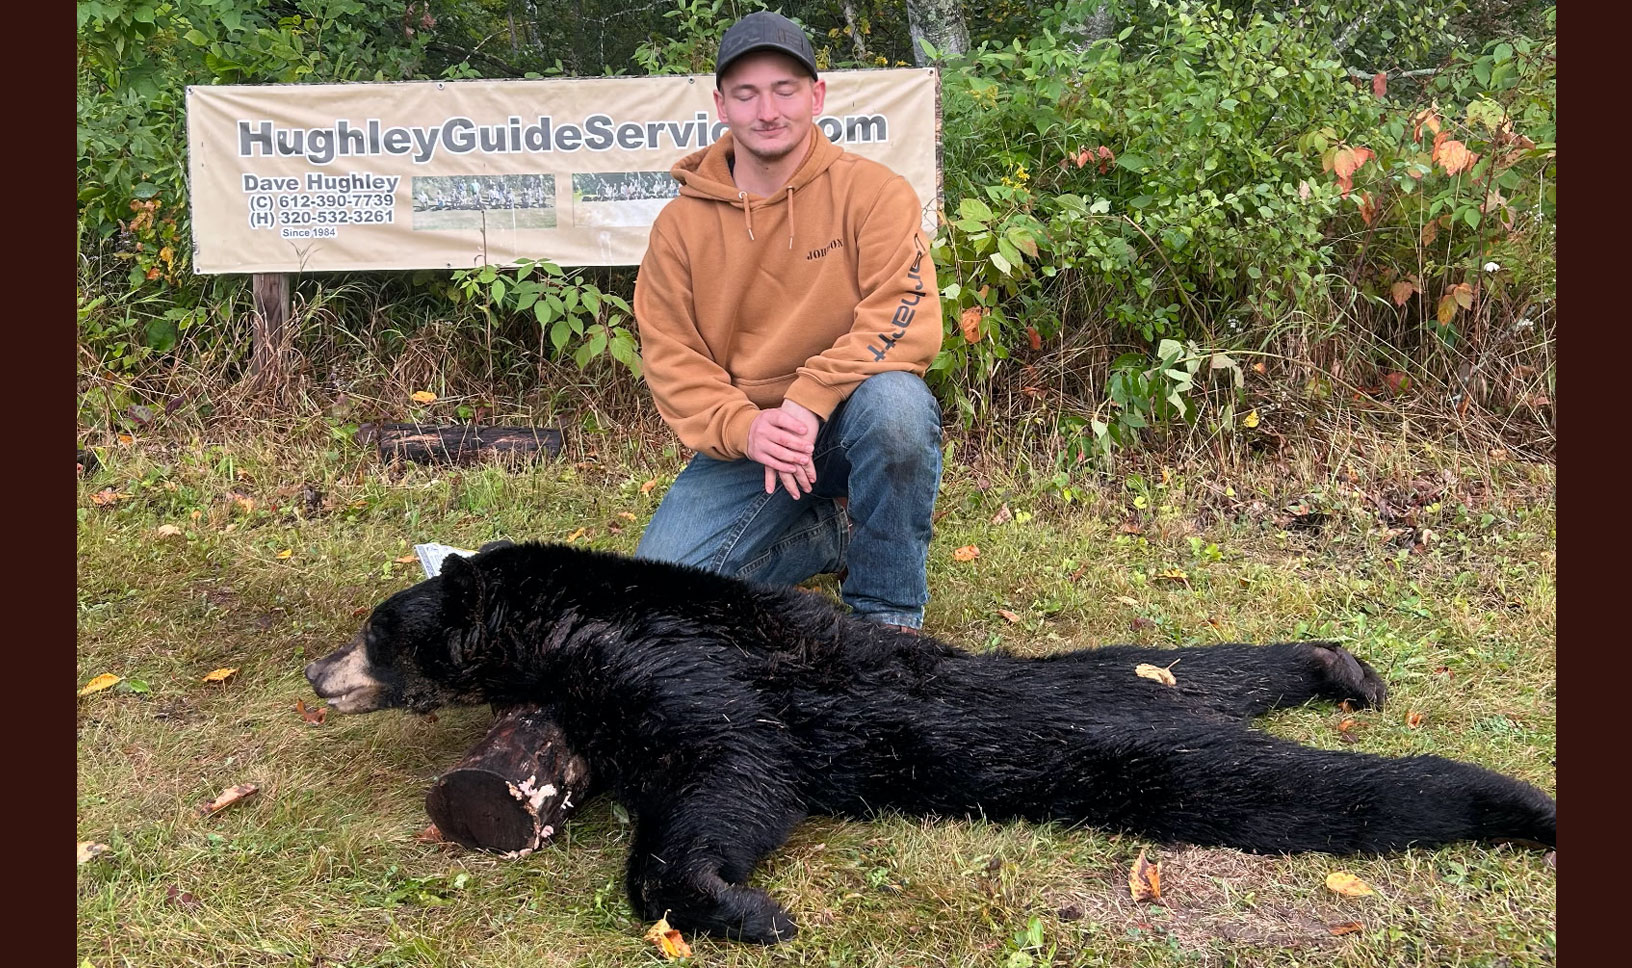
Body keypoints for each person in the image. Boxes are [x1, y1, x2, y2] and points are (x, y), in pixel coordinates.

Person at [633, 10, 944, 630]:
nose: (768, 111)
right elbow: (671, 357)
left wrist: (809, 398)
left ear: (816, 97)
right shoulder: (679, 228)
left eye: (785, 90)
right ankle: (836, 532)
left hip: (851, 414)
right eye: (747, 94)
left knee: (898, 407)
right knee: (660, 596)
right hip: (754, 438)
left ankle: (886, 617)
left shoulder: (875, 194)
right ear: (721, 105)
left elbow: (904, 318)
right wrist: (746, 427)